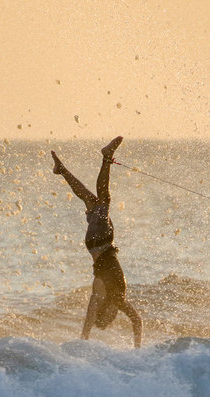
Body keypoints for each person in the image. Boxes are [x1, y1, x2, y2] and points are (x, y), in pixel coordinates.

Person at [51, 135, 143, 348]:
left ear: (104, 311)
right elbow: (136, 320)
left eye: (109, 314)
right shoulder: (119, 300)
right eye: (112, 315)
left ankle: (106, 157)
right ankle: (62, 170)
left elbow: (90, 314)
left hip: (99, 240)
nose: (114, 313)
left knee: (103, 200)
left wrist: (85, 337)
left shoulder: (101, 291)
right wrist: (137, 348)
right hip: (102, 240)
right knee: (92, 200)